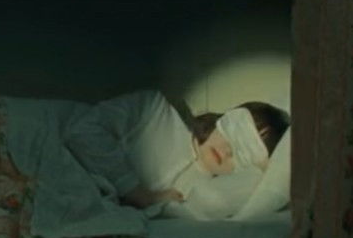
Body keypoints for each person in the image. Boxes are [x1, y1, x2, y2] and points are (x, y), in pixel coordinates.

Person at [56, 89, 289, 219]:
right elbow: (81, 132)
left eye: (246, 153)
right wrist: (136, 192)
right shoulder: (154, 110)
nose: (228, 151)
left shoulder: (205, 196)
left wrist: (263, 169)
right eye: (237, 134)